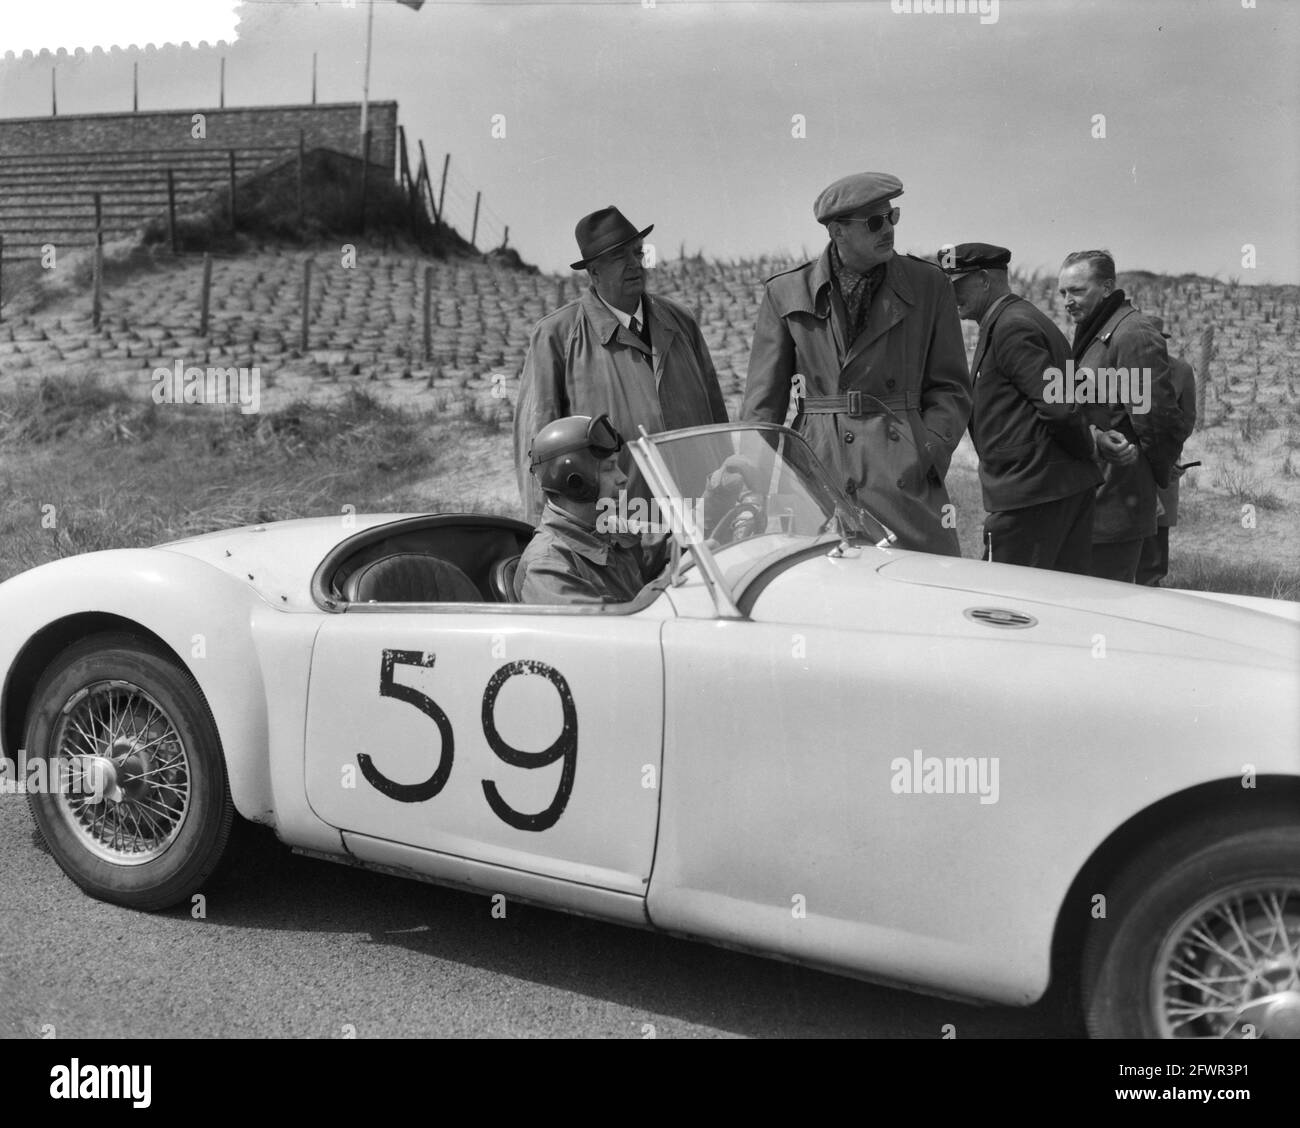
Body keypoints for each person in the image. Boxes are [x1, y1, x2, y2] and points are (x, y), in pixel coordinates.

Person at [742, 172, 971, 556]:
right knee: (821, 589)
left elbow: (951, 388)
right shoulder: (786, 292)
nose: (889, 230)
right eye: (875, 222)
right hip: (817, 471)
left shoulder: (929, 285)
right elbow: (761, 406)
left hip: (901, 473)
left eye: (892, 217)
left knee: (921, 587)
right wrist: (749, 484)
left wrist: (926, 450)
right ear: (838, 232)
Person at [512, 206, 727, 521]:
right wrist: (544, 535)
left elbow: (717, 419)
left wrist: (730, 494)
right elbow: (537, 449)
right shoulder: (556, 336)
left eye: (638, 253)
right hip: (614, 528)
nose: (634, 265)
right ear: (593, 272)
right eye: (618, 258)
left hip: (701, 515)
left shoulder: (680, 321)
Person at [940, 243, 1103, 573]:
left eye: (956, 285)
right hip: (1048, 492)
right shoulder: (1015, 319)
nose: (951, 295)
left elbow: (1058, 407)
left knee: (1006, 604)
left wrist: (1087, 449)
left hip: (1033, 497)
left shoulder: (1012, 326)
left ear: (985, 279)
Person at [1058, 250, 1190, 583]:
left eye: (1076, 290)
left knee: (1108, 609)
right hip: (1094, 501)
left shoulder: (1131, 333)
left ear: (1106, 287)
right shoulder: (1097, 331)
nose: (1067, 301)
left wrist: (1150, 474)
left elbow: (1157, 421)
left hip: (1117, 504)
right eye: (1062, 293)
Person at [514, 414, 673, 606]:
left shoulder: (609, 529)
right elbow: (609, 629)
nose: (622, 478)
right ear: (575, 480)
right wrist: (668, 581)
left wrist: (717, 490)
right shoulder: (547, 567)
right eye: (609, 468)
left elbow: (679, 541)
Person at [1137, 316, 1197, 586]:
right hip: (1130, 461)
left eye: (1158, 339)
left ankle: (1152, 588)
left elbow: (1187, 419)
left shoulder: (1181, 371)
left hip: (1165, 461)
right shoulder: (1122, 370)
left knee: (1158, 533)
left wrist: (1169, 455)